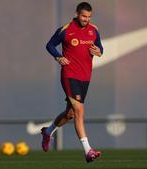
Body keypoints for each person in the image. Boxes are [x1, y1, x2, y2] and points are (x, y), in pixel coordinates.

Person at [41, 2, 103, 163]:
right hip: (69, 75)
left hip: (85, 77)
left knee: (70, 114)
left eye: (89, 17)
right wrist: (58, 57)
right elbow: (49, 45)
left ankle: (48, 131)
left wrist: (98, 51)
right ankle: (88, 151)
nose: (86, 19)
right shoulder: (66, 30)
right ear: (76, 14)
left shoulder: (94, 30)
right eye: (83, 16)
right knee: (79, 110)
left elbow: (100, 49)